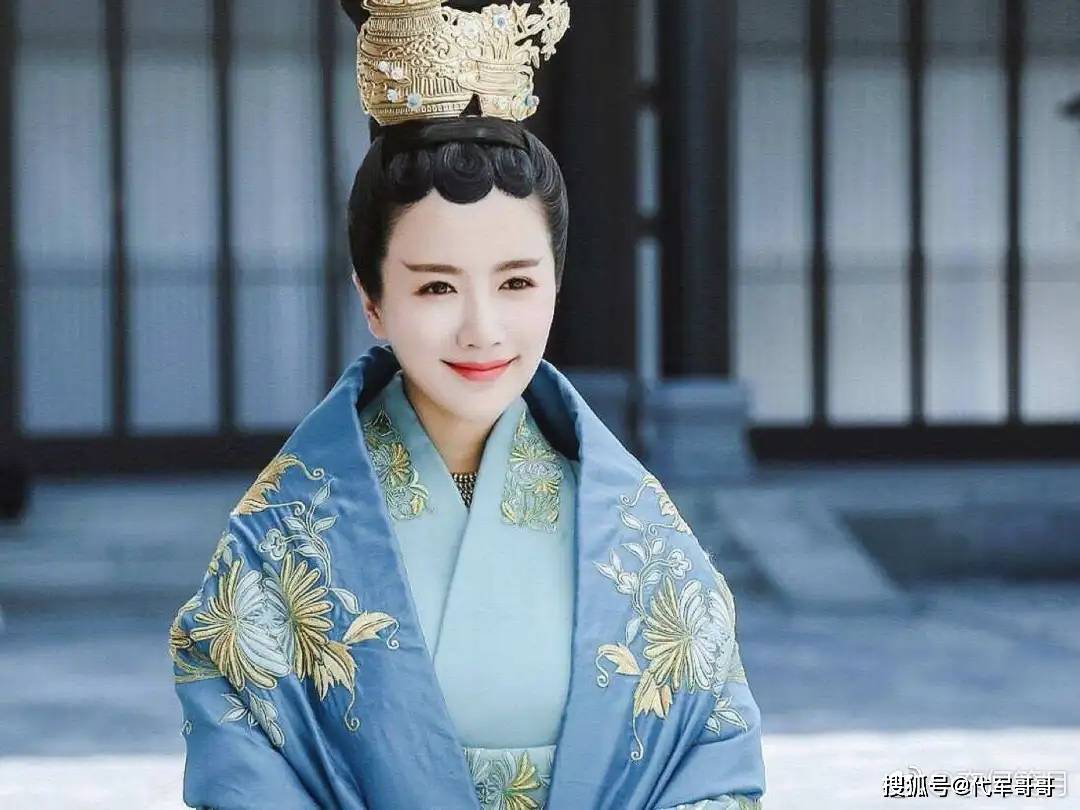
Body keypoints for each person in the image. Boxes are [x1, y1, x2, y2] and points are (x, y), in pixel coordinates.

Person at [169, 1, 766, 807]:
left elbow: (711, 756)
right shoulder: (281, 542)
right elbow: (243, 765)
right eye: (436, 287)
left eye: (516, 282)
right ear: (372, 300)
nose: (482, 329)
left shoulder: (641, 536)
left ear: (556, 287)